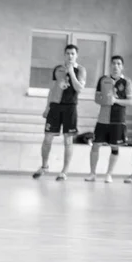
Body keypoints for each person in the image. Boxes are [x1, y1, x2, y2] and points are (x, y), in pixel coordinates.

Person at [32, 44, 87, 181]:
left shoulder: (81, 70)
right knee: (47, 138)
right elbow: (52, 89)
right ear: (64, 55)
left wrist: (71, 72)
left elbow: (79, 88)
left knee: (68, 140)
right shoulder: (57, 69)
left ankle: (64, 171)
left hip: (70, 107)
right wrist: (47, 107)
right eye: (68, 53)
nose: (70, 56)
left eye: (72, 54)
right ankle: (44, 167)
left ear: (76, 55)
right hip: (55, 107)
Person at [85, 56, 132, 183]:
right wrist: (105, 100)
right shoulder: (103, 80)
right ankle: (92, 173)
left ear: (122, 66)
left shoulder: (126, 82)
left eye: (118, 64)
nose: (115, 66)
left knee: (115, 147)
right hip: (102, 120)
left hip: (118, 120)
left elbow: (131, 101)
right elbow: (96, 98)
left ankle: (109, 174)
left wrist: (116, 100)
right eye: (113, 63)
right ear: (110, 65)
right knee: (95, 146)